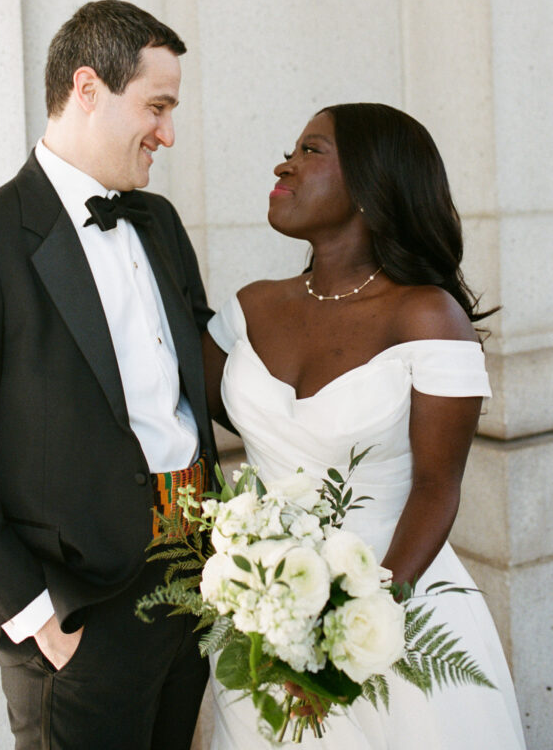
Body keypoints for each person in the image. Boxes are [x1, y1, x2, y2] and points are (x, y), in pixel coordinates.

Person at [0, 0, 218, 750]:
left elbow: (193, 387)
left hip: (195, 589)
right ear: (87, 87)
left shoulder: (159, 222)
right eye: (157, 106)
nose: (167, 132)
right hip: (79, 619)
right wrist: (33, 613)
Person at [202, 103, 526, 749]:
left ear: (371, 185)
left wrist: (347, 634)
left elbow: (438, 488)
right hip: (266, 624)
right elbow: (192, 402)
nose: (283, 163)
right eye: (291, 148)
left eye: (311, 151)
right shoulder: (249, 306)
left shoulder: (427, 316)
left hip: (394, 620)